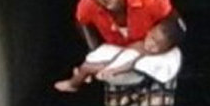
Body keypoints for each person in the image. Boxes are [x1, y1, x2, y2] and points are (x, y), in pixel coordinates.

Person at [53, 19, 183, 94]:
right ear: (150, 31)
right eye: (152, 38)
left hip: (129, 75)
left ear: (166, 49)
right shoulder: (141, 44)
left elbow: (130, 64)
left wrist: (111, 69)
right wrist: (110, 62)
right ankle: (85, 75)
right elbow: (124, 52)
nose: (151, 44)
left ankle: (73, 84)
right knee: (98, 54)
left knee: (86, 67)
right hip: (120, 62)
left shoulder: (148, 56)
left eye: (157, 45)